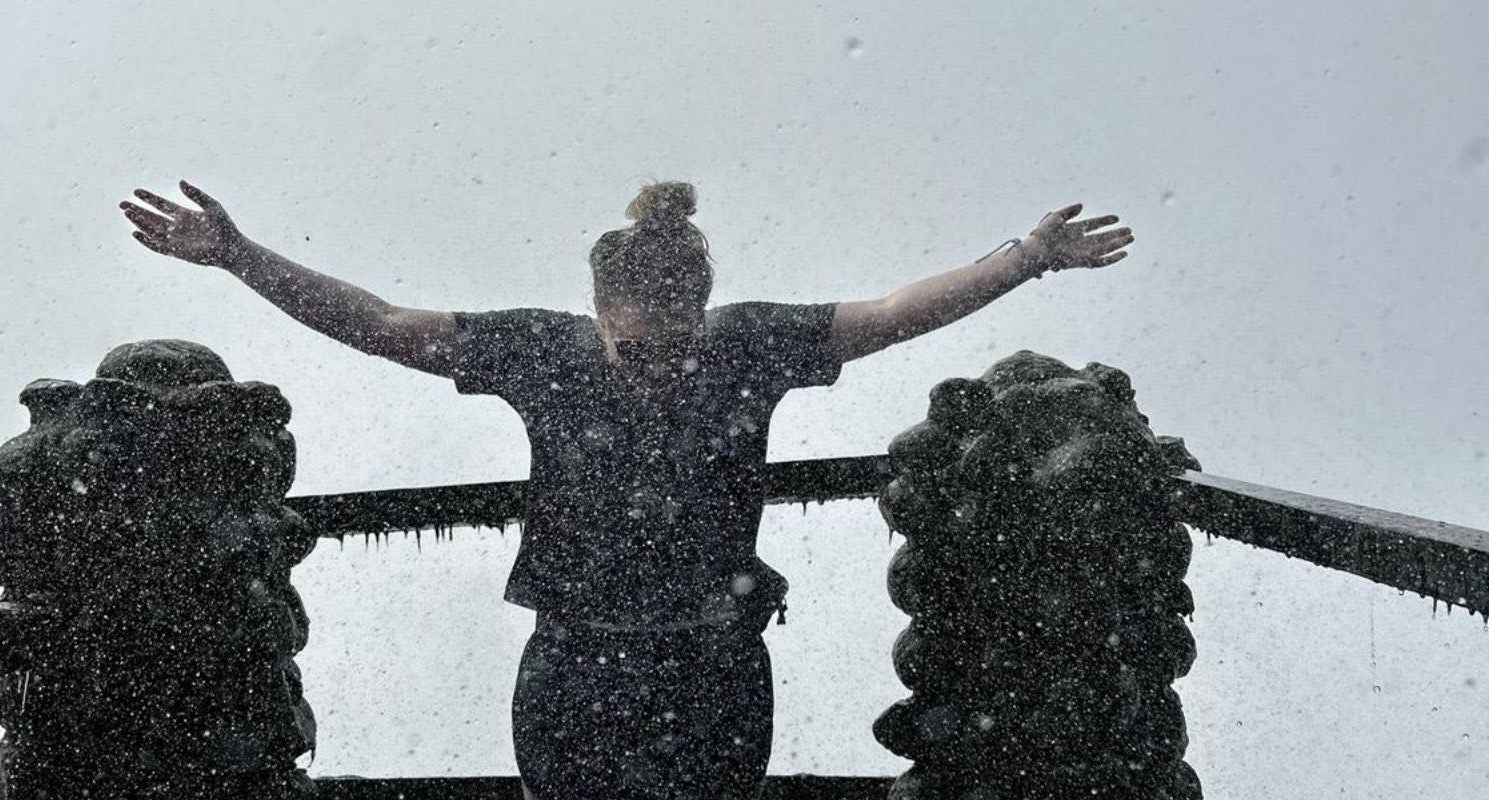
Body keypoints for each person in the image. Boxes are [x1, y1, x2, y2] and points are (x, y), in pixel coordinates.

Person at [119, 179, 1132, 799]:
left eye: (679, 345)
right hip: (572, 660)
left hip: (713, 664)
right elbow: (383, 324)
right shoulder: (541, 351)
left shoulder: (751, 344)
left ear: (706, 313)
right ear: (596, 318)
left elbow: (891, 313)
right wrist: (242, 259)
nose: (662, 365)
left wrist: (1025, 259)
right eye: (636, 350)